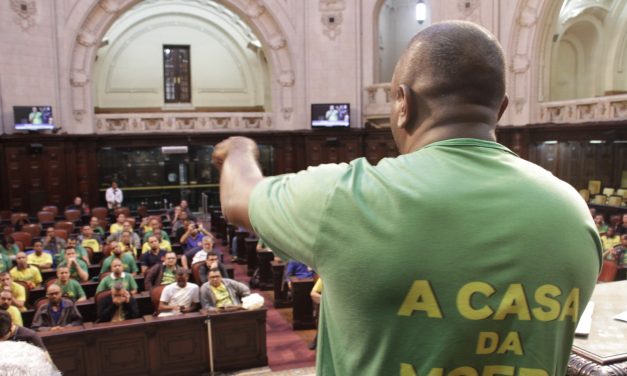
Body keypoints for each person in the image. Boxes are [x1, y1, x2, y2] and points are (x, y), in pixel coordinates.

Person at [211, 21, 601, 375]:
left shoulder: (348, 197)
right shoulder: (573, 213)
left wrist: (240, 150)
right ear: (499, 109)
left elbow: (238, 198)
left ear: (402, 103)